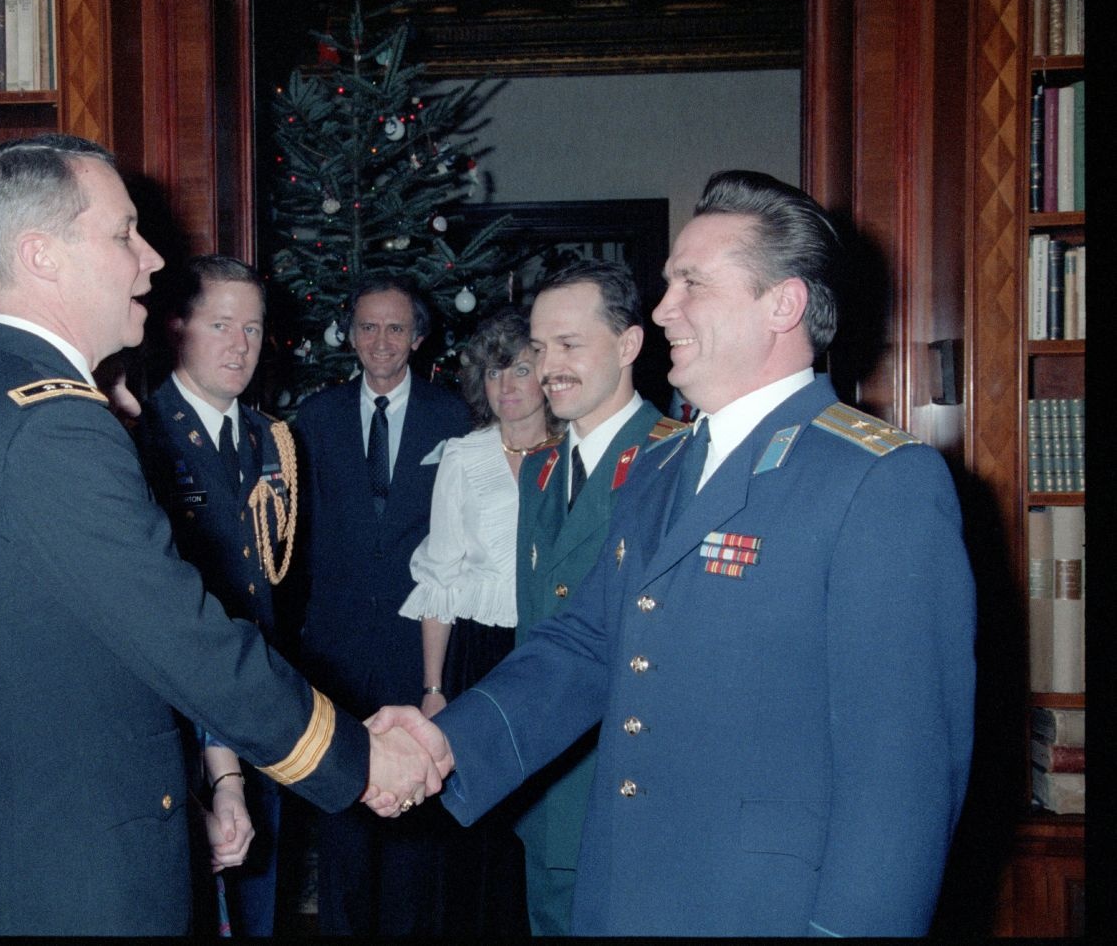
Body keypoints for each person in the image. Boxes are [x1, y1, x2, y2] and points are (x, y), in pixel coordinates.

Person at [371, 170, 977, 936]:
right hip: (623, 888)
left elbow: (904, 779)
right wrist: (446, 739)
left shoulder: (877, 481)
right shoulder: (661, 466)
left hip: (764, 910)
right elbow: (587, 645)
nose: (663, 310)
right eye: (667, 285)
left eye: (692, 283)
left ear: (782, 304)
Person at [0, 134, 440, 936]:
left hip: (17, 854)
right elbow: (183, 636)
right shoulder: (53, 429)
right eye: (122, 235)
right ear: (41, 256)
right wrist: (356, 757)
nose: (150, 261)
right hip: (71, 879)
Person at [499, 258, 679, 934]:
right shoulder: (540, 472)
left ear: (629, 345)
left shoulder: (674, 461)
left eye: (570, 344)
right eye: (540, 348)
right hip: (546, 788)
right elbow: (533, 636)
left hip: (626, 790)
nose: (548, 367)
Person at [292, 279, 473, 935]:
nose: (381, 342)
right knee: (343, 811)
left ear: (418, 337)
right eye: (368, 327)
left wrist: (439, 681)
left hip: (414, 646)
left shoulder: (452, 419)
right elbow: (299, 539)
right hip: (334, 649)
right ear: (350, 334)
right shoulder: (314, 419)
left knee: (414, 819)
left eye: (396, 329)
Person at [134, 255, 295, 935]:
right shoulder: (143, 434)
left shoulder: (269, 438)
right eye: (221, 324)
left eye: (253, 329)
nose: (240, 346)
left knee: (261, 898)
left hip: (259, 701)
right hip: (179, 716)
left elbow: (274, 582)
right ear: (178, 329)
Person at [397, 305, 557, 936]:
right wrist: (434, 689)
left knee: (542, 813)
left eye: (519, 369)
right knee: (478, 818)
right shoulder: (462, 457)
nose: (506, 387)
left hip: (548, 647)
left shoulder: (576, 452)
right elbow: (439, 577)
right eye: (493, 374)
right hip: (477, 656)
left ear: (545, 373)